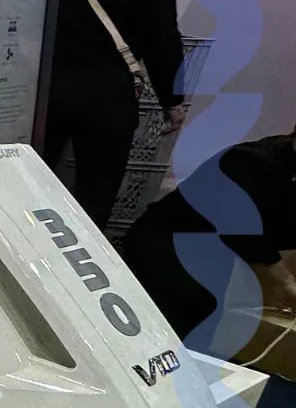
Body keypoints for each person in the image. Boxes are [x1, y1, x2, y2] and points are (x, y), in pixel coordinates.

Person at [42, 0, 187, 226]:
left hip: (52, 93)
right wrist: (173, 100)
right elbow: (164, 46)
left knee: (37, 176)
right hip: (109, 98)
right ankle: (84, 247)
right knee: (97, 188)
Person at [120, 128, 296, 341]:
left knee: (207, 316)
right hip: (170, 238)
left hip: (213, 251)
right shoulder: (247, 161)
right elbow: (244, 233)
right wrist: (287, 283)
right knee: (185, 310)